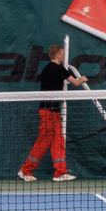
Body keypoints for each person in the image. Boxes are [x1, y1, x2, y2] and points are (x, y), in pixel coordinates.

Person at [21, 42, 88, 183]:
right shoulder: (58, 69)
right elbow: (75, 83)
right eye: (62, 54)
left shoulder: (46, 69)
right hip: (47, 112)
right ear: (57, 55)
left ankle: (60, 173)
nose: (63, 56)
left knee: (58, 141)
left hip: (53, 112)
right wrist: (82, 79)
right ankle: (25, 170)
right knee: (44, 141)